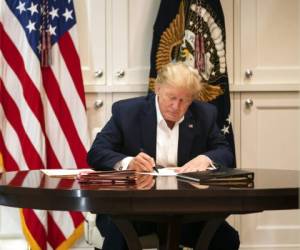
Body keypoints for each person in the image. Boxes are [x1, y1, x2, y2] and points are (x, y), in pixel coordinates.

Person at [87, 62, 240, 250]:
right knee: (118, 233)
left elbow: (225, 152)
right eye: (171, 97)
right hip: (132, 209)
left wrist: (207, 158)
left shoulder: (205, 115)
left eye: (184, 100)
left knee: (226, 238)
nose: (176, 106)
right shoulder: (127, 112)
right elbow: (97, 153)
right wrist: (129, 162)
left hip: (186, 211)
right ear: (158, 89)